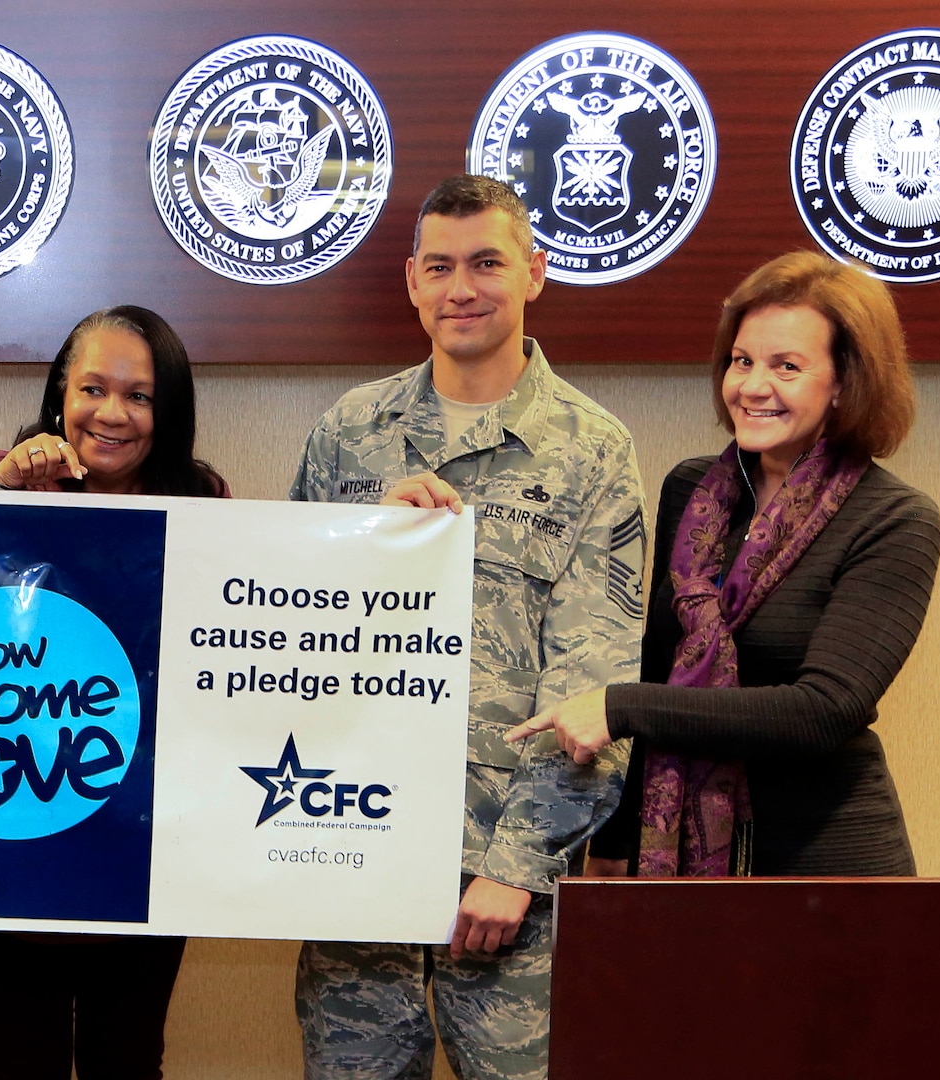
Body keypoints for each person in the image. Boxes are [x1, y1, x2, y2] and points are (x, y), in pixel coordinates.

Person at [288, 175, 645, 1080]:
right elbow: (280, 633)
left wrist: (517, 868)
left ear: (537, 272)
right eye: (440, 266)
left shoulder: (593, 449)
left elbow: (591, 688)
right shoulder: (349, 434)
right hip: (353, 866)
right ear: (410, 280)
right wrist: (371, 535)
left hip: (507, 895)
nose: (462, 289)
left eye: (488, 263)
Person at [511, 252, 940, 878]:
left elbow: (822, 711)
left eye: (786, 366)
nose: (752, 386)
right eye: (742, 361)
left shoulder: (895, 520)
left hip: (825, 866)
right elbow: (660, 665)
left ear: (847, 381)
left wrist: (622, 707)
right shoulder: (693, 492)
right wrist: (610, 847)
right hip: (676, 862)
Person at [0, 305, 225, 1080]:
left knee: (130, 1059)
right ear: (58, 396)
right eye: (92, 389)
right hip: (14, 824)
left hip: (144, 835)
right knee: (16, 1059)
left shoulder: (203, 500)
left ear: (167, 409)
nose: (112, 414)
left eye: (139, 396)